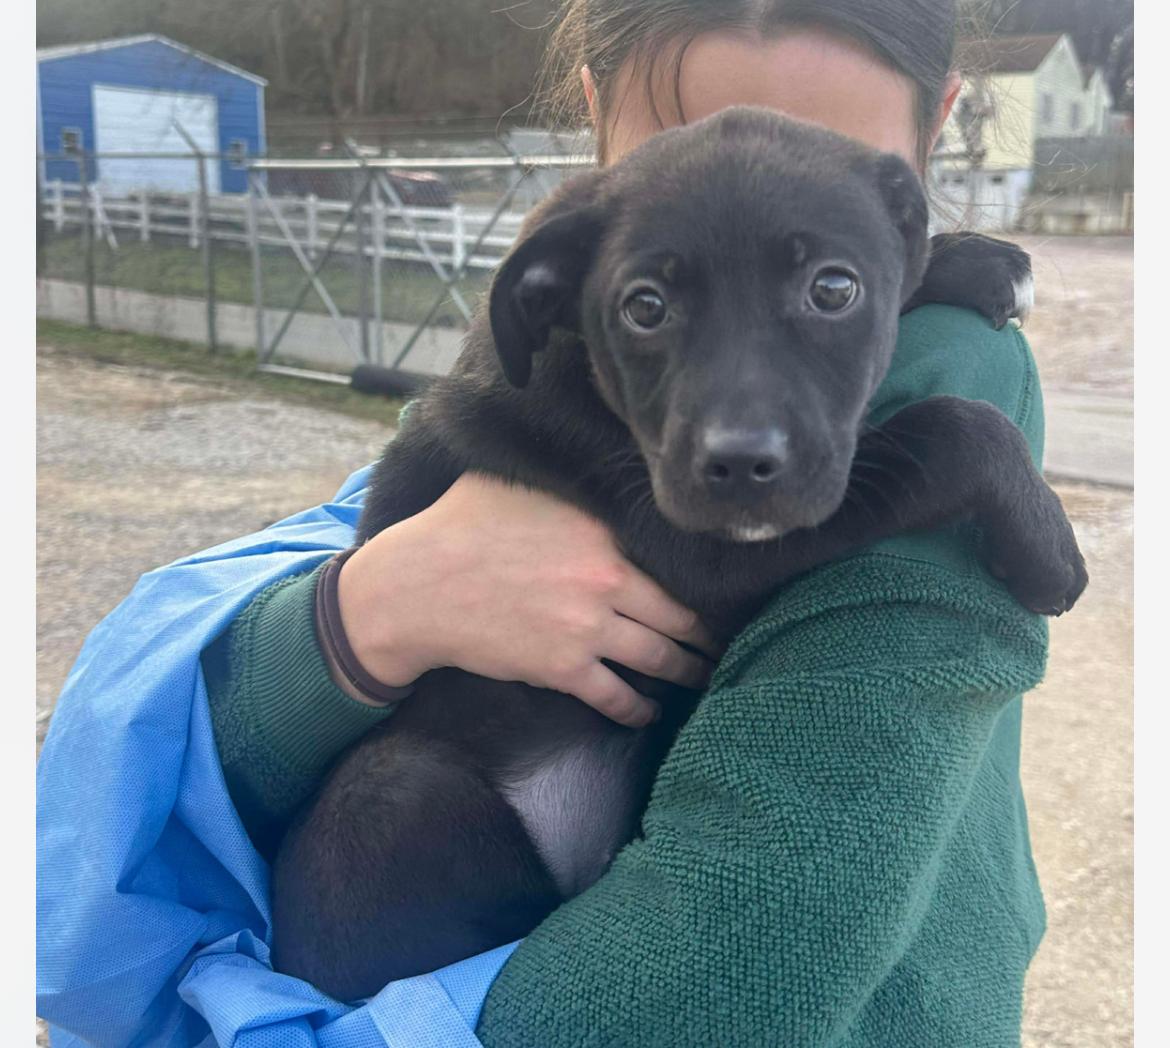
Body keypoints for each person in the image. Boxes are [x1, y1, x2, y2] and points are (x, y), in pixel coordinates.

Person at [37, 1, 1051, 1045]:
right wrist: (367, 613)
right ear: (594, 120)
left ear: (927, 150)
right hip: (431, 900)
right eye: (656, 296)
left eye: (832, 275)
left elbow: (753, 936)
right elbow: (149, 756)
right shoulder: (532, 353)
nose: (748, 167)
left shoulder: (955, 362)